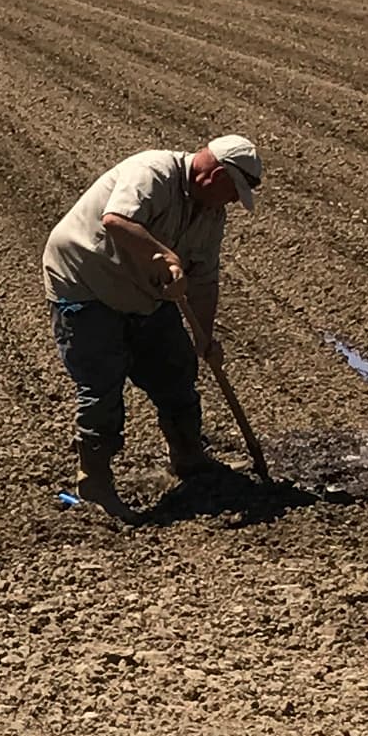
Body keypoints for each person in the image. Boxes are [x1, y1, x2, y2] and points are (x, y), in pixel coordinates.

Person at [39, 135, 265, 521]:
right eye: (233, 192)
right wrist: (163, 256)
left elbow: (205, 279)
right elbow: (116, 220)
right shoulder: (153, 172)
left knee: (176, 370)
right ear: (215, 175)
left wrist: (204, 337)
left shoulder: (211, 214)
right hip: (86, 282)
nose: (232, 203)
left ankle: (189, 458)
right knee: (102, 386)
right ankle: (93, 482)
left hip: (143, 293)